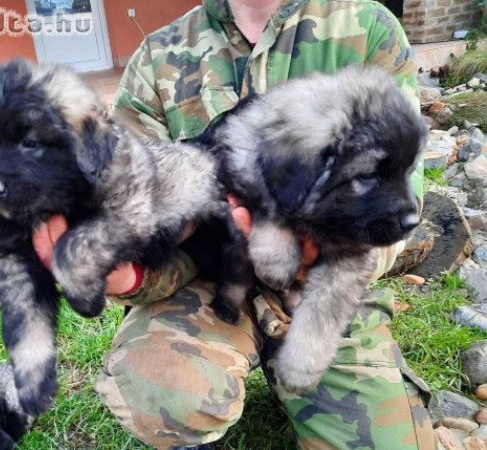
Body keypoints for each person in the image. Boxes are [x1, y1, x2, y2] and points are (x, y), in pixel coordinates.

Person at [33, 0, 437, 448]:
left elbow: (398, 203)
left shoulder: (366, 26)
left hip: (328, 285)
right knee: (162, 391)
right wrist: (135, 275)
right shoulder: (158, 55)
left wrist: (314, 257)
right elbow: (144, 196)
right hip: (209, 280)